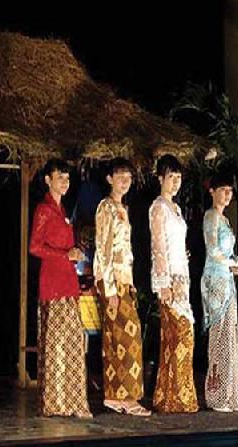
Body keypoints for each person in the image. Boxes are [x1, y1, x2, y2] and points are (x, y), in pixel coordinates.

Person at [30, 158, 92, 418]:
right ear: (48, 180)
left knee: (73, 342)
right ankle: (56, 402)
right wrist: (64, 255)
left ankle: (75, 401)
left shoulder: (63, 210)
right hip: (53, 284)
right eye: (60, 178)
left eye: (67, 178)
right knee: (56, 344)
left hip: (68, 282)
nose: (64, 183)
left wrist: (74, 253)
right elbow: (35, 247)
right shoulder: (44, 209)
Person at [94, 157, 150, 416]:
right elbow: (103, 248)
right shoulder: (105, 207)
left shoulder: (122, 208)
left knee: (117, 337)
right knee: (128, 335)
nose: (125, 181)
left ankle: (114, 395)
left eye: (128, 177)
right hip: (112, 279)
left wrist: (129, 282)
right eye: (120, 176)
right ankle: (126, 397)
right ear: (109, 179)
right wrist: (110, 287)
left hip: (123, 278)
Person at [149, 154, 198, 413]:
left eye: (179, 177)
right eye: (171, 177)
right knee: (179, 336)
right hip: (169, 280)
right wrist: (163, 283)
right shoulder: (158, 208)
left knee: (178, 338)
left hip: (182, 276)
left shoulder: (176, 209)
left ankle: (171, 397)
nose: (176, 182)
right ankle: (175, 397)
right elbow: (158, 246)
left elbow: (174, 243)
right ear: (160, 179)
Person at [200, 170, 238, 412]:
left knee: (229, 336)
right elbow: (213, 251)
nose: (227, 195)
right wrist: (230, 264)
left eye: (230, 191)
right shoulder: (211, 216)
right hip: (215, 281)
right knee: (219, 336)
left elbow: (226, 253)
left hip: (226, 280)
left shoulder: (225, 220)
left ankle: (228, 394)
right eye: (223, 190)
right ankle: (216, 395)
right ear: (212, 192)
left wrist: (234, 264)